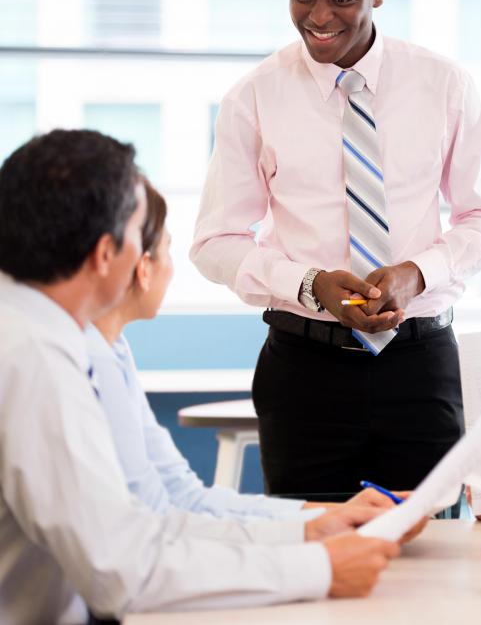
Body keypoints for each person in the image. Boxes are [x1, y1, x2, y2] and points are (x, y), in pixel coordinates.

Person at [0, 129, 399, 625]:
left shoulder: (36, 334)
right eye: (143, 234)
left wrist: (310, 532)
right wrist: (315, 567)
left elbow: (150, 522)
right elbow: (125, 568)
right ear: (107, 255)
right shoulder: (35, 358)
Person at [190, 0, 481, 497]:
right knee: (310, 554)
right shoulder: (253, 97)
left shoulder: (444, 85)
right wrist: (310, 284)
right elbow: (215, 243)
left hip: (421, 364)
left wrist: (419, 274)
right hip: (304, 368)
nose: (318, 17)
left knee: (431, 557)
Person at [88, 177, 403, 523]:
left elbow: (181, 495)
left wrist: (332, 515)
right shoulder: (87, 363)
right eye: (166, 247)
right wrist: (316, 540)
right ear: (141, 267)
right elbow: (155, 521)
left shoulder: (110, 349)